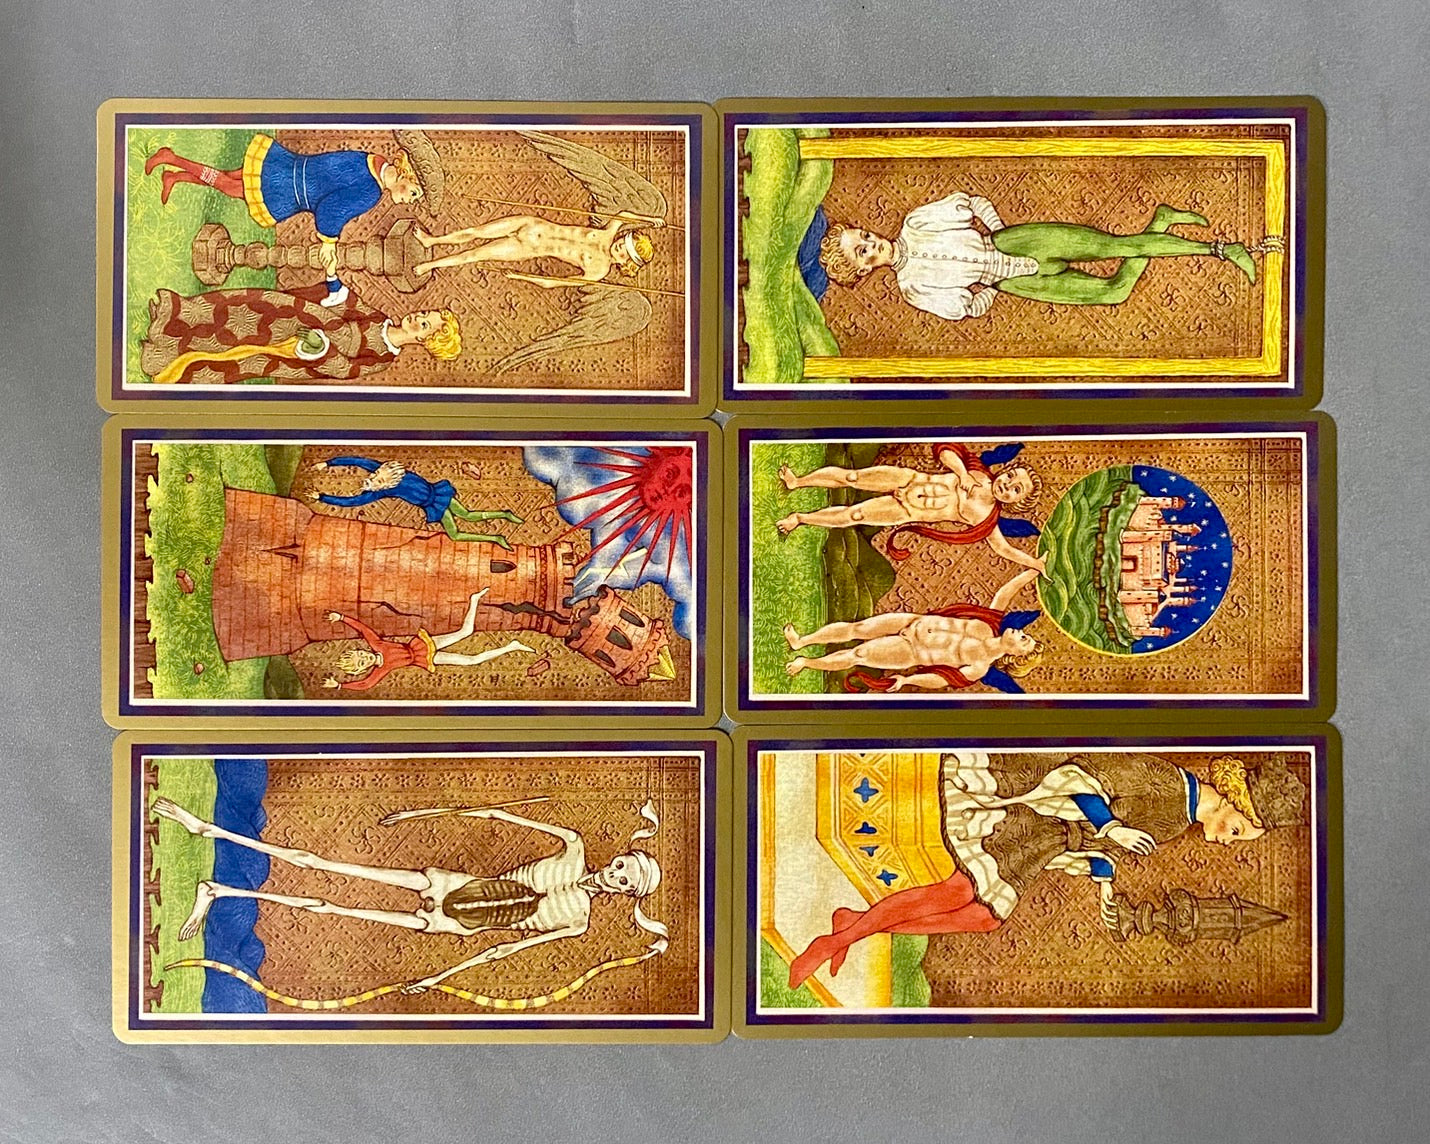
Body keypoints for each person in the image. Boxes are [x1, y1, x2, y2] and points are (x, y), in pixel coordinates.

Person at [788, 751, 1307, 988]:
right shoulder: (1167, 782)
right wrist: (1111, 828)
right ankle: (837, 939)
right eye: (1237, 829)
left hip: (1046, 841)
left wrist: (1104, 880)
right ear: (1233, 798)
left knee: (985, 917)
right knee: (957, 890)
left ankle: (855, 926)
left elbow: (1103, 844)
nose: (1226, 839)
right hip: (1027, 805)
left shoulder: (1177, 821)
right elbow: (1085, 776)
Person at [151, 795, 668, 1003]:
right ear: (620, 856)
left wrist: (440, 977)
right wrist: (423, 813)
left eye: (627, 882)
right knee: (323, 865)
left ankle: (218, 890)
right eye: (624, 865)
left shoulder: (578, 920)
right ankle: (206, 829)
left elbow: (506, 949)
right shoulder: (574, 848)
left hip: (458, 925)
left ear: (627, 896)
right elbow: (500, 815)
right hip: (452, 885)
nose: (617, 875)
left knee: (334, 909)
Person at [819, 195, 1283, 320]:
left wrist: (1000, 234)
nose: (871, 243)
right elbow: (968, 308)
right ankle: (1161, 221)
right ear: (863, 270)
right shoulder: (912, 289)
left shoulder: (916, 222)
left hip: (1016, 243)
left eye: (864, 235)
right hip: (1016, 282)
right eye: (862, 252)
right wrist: (993, 284)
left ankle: (1222, 250)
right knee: (1113, 292)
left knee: (1117, 245)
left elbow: (971, 202)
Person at [145, 130, 441, 305]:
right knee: (227, 184)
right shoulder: (371, 191)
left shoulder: (371, 160)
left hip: (290, 167)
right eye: (413, 193)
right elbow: (330, 210)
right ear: (406, 175)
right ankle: (171, 158)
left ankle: (175, 176)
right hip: (288, 191)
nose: (408, 200)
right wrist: (328, 243)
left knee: (230, 179)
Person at [775, 442, 1043, 571]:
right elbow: (946, 452)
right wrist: (962, 474)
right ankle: (798, 482)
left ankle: (799, 518)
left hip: (905, 510)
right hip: (909, 479)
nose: (1007, 485)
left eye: (1015, 490)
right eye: (1011, 476)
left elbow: (1004, 549)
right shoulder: (979, 472)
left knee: (854, 515)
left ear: (1017, 503)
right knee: (852, 477)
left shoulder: (986, 519)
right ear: (1006, 469)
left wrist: (1035, 563)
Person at [783, 567, 1044, 693]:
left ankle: (806, 663)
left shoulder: (979, 667)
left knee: (858, 655)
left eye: (1024, 640)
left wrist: (907, 680)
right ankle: (801, 641)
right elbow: (1006, 591)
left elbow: (941, 679)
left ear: (1014, 657)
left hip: (910, 651)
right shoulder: (989, 625)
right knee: (857, 628)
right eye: (1025, 635)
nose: (1020, 632)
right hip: (913, 621)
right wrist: (1035, 570)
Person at [139, 284, 460, 385]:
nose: (417, 317)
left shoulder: (383, 358)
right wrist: (334, 281)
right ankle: (173, 315)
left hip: (297, 350)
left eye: (424, 325)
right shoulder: (381, 319)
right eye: (424, 313)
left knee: (237, 352)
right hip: (300, 316)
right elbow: (350, 304)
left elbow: (343, 370)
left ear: (423, 341)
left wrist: (321, 347)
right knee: (242, 307)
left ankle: (164, 356)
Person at [322, 590, 534, 693]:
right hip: (424, 660)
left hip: (421, 646)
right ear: (362, 669)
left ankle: (474, 599)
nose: (365, 658)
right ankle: (511, 646)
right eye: (362, 663)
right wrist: (340, 685)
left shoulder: (377, 645)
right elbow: (365, 684)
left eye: (361, 655)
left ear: (361, 650)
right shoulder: (381, 670)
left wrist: (341, 617)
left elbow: (363, 629)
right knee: (472, 661)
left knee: (466, 631)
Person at [307, 457, 521, 546]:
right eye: (375, 476)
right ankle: (501, 520)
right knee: (467, 516)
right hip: (436, 497)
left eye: (376, 478)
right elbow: (354, 496)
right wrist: (327, 465)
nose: (372, 477)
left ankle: (497, 534)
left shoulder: (386, 487)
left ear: (386, 480)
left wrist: (323, 495)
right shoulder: (382, 482)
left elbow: (354, 498)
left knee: (456, 533)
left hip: (436, 500)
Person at [413, 212, 660, 283]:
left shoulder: (599, 271)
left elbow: (554, 282)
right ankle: (431, 240)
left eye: (624, 252)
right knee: (475, 231)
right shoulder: (608, 233)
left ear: (626, 263)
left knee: (475, 255)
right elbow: (624, 215)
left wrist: (520, 276)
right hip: (531, 224)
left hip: (526, 247)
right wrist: (650, 221)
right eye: (624, 242)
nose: (619, 246)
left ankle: (430, 265)